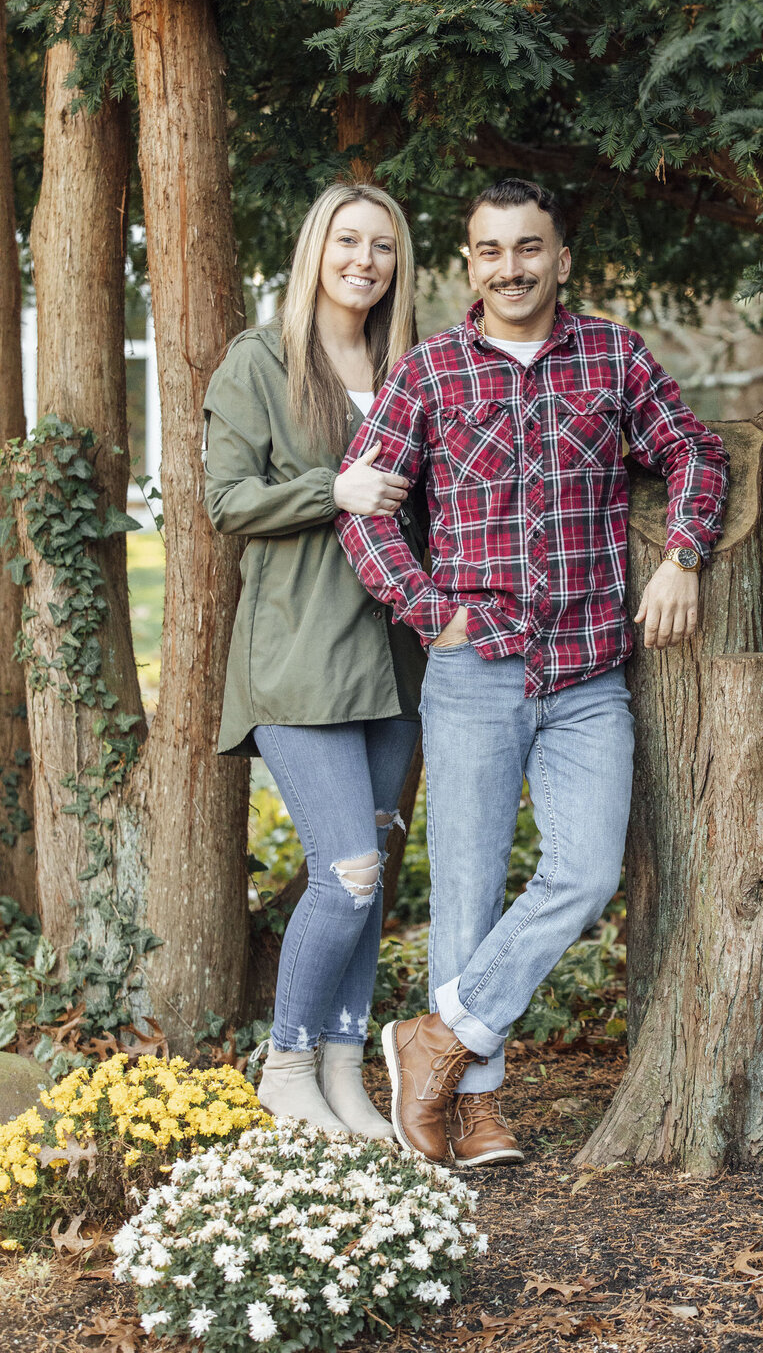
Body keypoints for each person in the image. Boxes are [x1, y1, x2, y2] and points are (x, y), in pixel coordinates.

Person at [337, 177, 729, 1166]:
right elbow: (368, 509)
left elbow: (693, 451)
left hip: (589, 672)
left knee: (586, 870)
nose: (509, 267)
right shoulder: (429, 372)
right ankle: (473, 1107)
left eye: (528, 248)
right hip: (474, 671)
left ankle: (435, 1040)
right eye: (489, 250)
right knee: (464, 891)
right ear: (470, 262)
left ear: (561, 258)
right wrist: (432, 610)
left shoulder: (611, 354)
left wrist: (684, 555)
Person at [204, 181, 426, 1138]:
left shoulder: (409, 364)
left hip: (398, 656)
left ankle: (344, 1070)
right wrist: (334, 487)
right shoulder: (261, 360)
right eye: (348, 241)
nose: (364, 260)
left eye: (382, 245)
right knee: (349, 874)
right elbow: (227, 501)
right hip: (300, 653)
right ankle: (287, 1066)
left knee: (376, 864)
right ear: (316, 249)